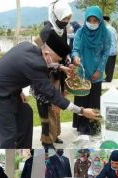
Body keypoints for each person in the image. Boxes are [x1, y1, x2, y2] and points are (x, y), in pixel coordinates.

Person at [0, 32, 101, 149]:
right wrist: (82, 111)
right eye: (57, 60)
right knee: (9, 133)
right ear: (47, 53)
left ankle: (23, 149)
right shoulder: (36, 65)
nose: (57, 63)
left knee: (26, 114)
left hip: (9, 89)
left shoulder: (29, 47)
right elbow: (51, 94)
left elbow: (14, 68)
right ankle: (9, 161)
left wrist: (19, 91)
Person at [34, 0, 73, 148]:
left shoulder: (61, 31)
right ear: (55, 15)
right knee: (46, 107)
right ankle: (47, 140)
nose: (66, 22)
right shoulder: (46, 31)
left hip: (58, 73)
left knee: (56, 105)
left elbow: (63, 50)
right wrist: (52, 63)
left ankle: (54, 134)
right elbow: (36, 51)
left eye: (68, 19)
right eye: (64, 19)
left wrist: (68, 61)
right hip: (45, 75)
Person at [72, 6, 111, 135]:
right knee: (81, 100)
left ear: (100, 21)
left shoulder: (106, 34)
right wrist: (75, 56)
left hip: (96, 73)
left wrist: (100, 70)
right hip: (82, 72)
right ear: (86, 19)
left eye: (96, 20)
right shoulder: (80, 33)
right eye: (90, 20)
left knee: (94, 100)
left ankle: (94, 126)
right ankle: (82, 126)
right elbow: (75, 49)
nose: (93, 23)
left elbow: (106, 53)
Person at [103, 16, 118, 82]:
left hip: (109, 50)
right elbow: (116, 39)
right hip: (114, 49)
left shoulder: (106, 29)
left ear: (105, 21)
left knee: (108, 65)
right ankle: (109, 78)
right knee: (111, 65)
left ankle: (108, 78)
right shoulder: (113, 29)